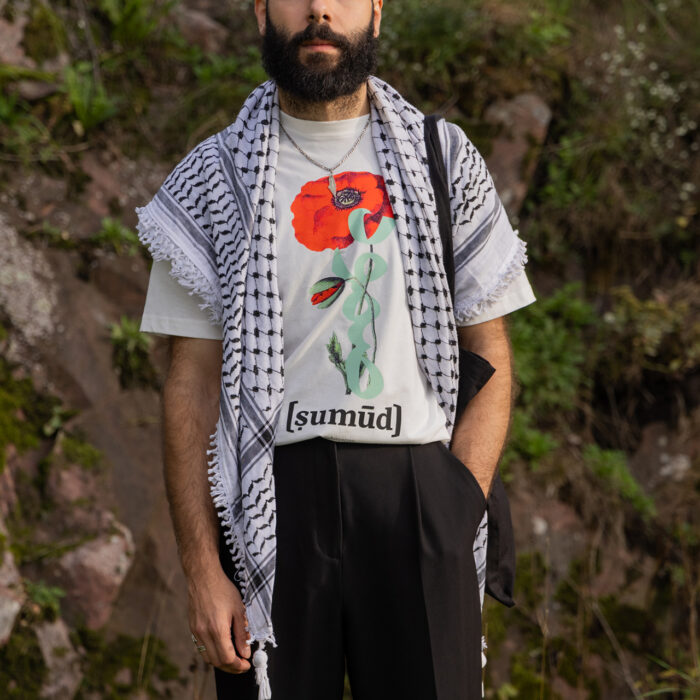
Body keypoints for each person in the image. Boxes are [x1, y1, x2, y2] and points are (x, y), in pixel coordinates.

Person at [136, 1, 535, 698]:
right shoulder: (211, 180)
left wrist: (456, 506)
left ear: (376, 11)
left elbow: (492, 357)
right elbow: (190, 387)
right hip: (271, 504)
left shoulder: (443, 158)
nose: (320, 10)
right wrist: (203, 567)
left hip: (417, 496)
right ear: (261, 11)